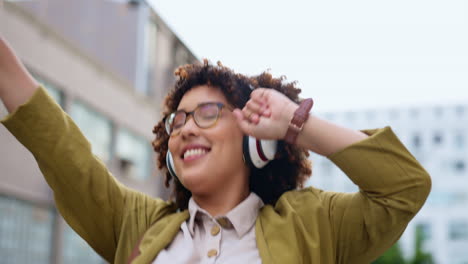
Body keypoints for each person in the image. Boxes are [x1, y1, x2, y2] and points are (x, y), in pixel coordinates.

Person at [0, 36, 431, 264]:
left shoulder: (314, 226)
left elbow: (404, 187)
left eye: (206, 112)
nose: (185, 129)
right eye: (178, 120)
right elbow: (61, 151)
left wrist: (296, 126)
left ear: (254, 139)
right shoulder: (136, 226)